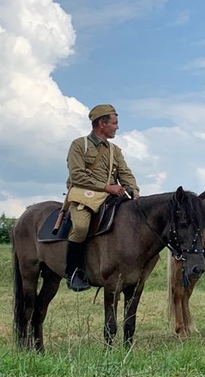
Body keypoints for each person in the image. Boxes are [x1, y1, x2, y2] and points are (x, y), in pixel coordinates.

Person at [65, 104, 140, 291]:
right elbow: (77, 175)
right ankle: (74, 272)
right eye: (114, 123)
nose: (117, 127)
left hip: (110, 196)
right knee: (81, 227)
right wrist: (107, 187)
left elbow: (125, 172)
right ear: (101, 123)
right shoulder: (79, 145)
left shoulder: (115, 150)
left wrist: (134, 191)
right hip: (84, 194)